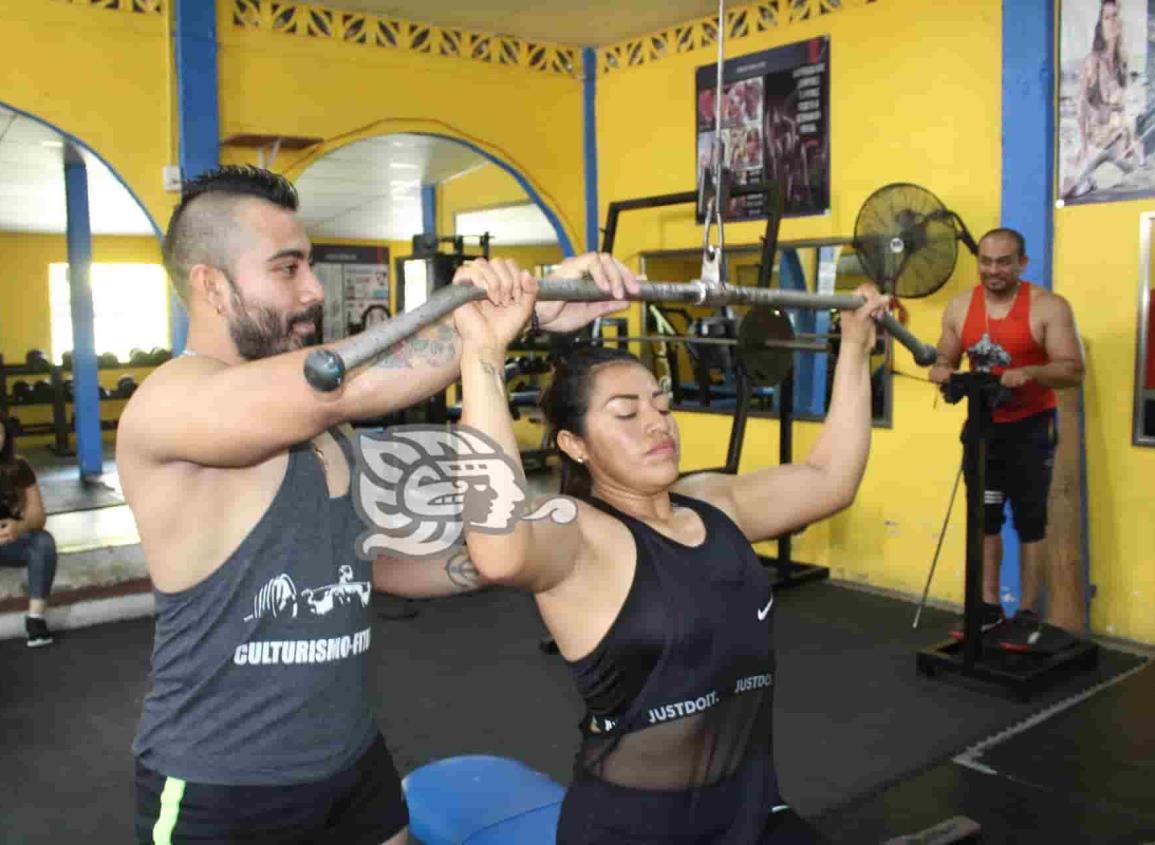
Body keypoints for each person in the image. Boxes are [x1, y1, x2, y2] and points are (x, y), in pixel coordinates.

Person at [118, 164, 637, 845]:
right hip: (223, 783)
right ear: (210, 285)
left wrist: (501, 557)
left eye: (309, 264)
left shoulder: (324, 429)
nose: (311, 290)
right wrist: (524, 310)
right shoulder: (173, 401)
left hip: (351, 757)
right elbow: (334, 385)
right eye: (287, 269)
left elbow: (362, 561)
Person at [450, 258, 888, 842]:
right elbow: (499, 552)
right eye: (626, 414)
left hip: (752, 811)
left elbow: (829, 478)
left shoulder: (714, 504)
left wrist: (854, 346)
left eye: (660, 405)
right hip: (635, 829)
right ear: (574, 445)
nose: (657, 424)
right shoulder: (579, 533)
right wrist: (481, 358)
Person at [929, 228, 1085, 651]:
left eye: (1003, 262)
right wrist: (942, 366)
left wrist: (1031, 373)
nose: (993, 270)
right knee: (985, 517)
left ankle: (1030, 611)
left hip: (1031, 427)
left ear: (1022, 264)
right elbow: (947, 351)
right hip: (983, 428)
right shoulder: (962, 306)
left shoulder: (1047, 307)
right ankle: (988, 605)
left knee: (1030, 521)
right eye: (986, 261)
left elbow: (1072, 369)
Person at [1064, 0, 1146, 198]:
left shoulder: (1122, 62)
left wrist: (1131, 138)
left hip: (1117, 142)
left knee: (1141, 172)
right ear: (1100, 24)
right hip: (1095, 144)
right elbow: (1081, 106)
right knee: (1069, 190)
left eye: (1115, 16)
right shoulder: (1092, 61)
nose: (1112, 22)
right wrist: (1083, 147)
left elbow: (1123, 108)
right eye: (1107, 17)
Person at [0, 414, 57, 647]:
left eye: (0, 433)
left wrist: (19, 527)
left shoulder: (18, 466)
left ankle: (35, 621)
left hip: (9, 542)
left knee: (43, 541)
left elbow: (38, 516)